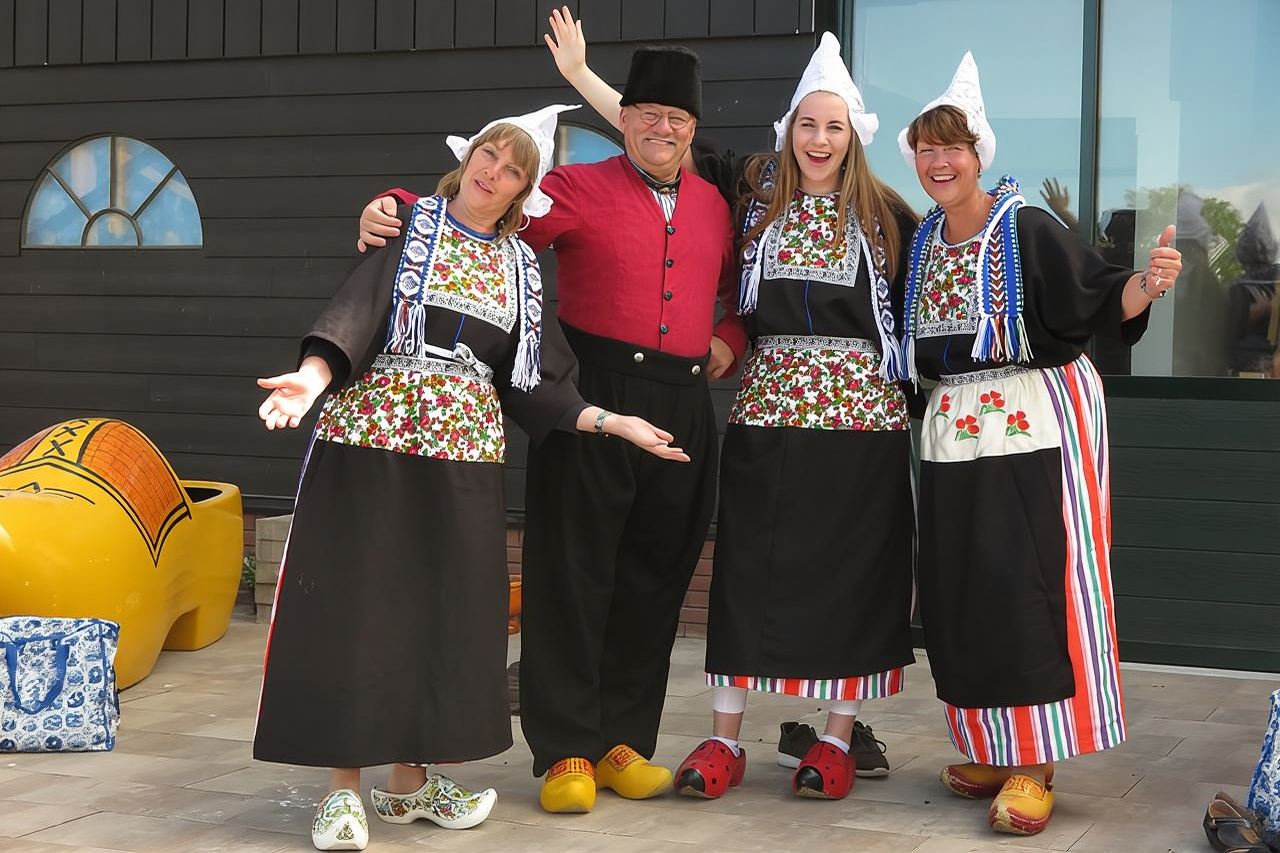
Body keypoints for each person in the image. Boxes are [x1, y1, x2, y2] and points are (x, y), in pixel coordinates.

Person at [254, 105, 691, 851]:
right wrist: (309, 375)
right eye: (492, 154)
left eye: (515, 168)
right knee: (361, 604)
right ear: (468, 157)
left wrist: (610, 422)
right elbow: (356, 315)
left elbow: (539, 382)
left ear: (525, 190)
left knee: (443, 610)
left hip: (464, 450)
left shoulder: (521, 266)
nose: (497, 172)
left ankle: (409, 783)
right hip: (375, 437)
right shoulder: (406, 225)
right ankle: (340, 791)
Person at [356, 43, 746, 814]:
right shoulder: (575, 184)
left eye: (677, 118)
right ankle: (566, 746)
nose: (661, 129)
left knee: (654, 578)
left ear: (692, 128)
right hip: (589, 394)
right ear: (624, 119)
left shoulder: (714, 202)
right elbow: (486, 217)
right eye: (648, 115)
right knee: (572, 576)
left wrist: (727, 339)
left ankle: (622, 740)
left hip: (682, 405)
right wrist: (398, 205)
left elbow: (740, 287)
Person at [540, 9, 915, 799]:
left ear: (855, 136)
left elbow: (951, 271)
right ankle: (697, 738)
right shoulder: (749, 188)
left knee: (827, 575)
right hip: (748, 412)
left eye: (834, 128)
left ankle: (830, 737)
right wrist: (578, 77)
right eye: (807, 125)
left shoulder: (890, 218)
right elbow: (649, 129)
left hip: (849, 424)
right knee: (739, 570)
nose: (819, 140)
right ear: (788, 131)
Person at [896, 53, 1183, 836]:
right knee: (963, 587)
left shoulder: (1025, 225)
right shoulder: (922, 242)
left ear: (978, 151)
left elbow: (1098, 297)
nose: (939, 160)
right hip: (954, 427)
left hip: (1036, 417)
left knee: (1027, 578)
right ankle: (993, 744)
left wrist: (1149, 283)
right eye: (925, 146)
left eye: (952, 145)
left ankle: (1037, 759)